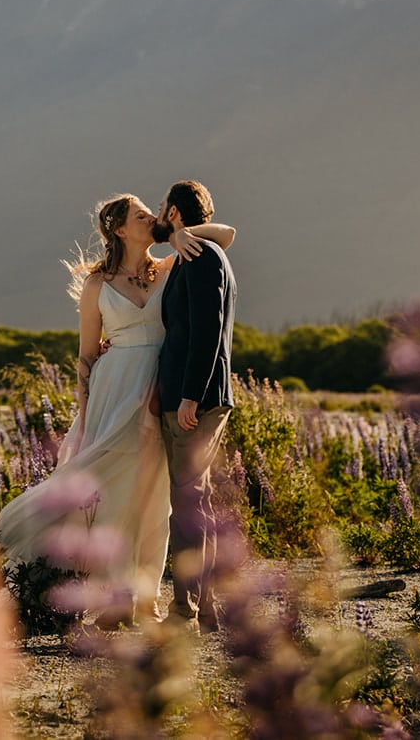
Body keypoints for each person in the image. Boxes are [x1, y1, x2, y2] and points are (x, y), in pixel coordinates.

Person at [0, 193, 235, 625]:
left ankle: (144, 599)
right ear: (119, 229)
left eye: (152, 213)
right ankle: (109, 596)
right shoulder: (97, 285)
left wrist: (184, 232)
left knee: (155, 497)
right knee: (110, 492)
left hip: (159, 388)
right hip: (115, 390)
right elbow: (86, 357)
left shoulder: (170, 264)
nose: (151, 219)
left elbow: (227, 235)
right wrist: (85, 417)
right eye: (141, 215)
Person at [151, 179, 236, 633]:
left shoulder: (200, 259)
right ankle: (206, 610)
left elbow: (207, 329)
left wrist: (188, 396)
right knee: (196, 503)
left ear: (177, 214)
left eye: (163, 208)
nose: (159, 215)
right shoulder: (197, 251)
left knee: (186, 505)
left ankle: (186, 611)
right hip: (196, 397)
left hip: (195, 400)